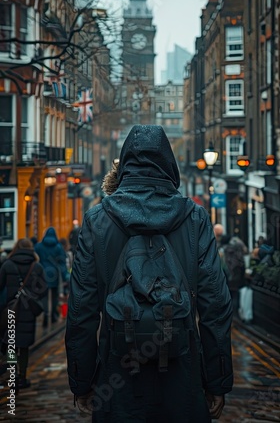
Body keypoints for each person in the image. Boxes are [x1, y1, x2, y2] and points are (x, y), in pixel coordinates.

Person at [65, 125, 233, 422]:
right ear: (169, 164)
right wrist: (218, 381)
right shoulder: (195, 218)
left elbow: (81, 309)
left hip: (116, 375)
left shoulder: (97, 220)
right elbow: (215, 307)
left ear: (125, 164)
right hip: (182, 375)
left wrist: (81, 381)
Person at [0, 238, 47, 389]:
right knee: (24, 346)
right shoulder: (37, 266)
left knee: (11, 344)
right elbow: (43, 288)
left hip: (12, 309)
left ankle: (12, 376)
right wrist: (33, 298)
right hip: (27, 310)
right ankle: (22, 376)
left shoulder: (7, 264)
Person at [35, 227, 70, 327]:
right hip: (53, 274)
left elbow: (35, 259)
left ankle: (46, 315)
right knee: (54, 295)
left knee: (44, 296)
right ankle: (54, 315)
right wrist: (65, 276)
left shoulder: (39, 246)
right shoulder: (58, 247)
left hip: (42, 274)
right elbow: (62, 263)